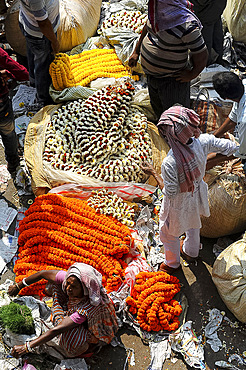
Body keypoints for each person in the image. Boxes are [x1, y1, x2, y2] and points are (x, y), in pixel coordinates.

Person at [141, 105, 237, 273]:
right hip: (197, 194)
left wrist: (153, 173)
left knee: (169, 234)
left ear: (171, 135)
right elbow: (231, 147)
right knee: (193, 224)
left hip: (177, 203)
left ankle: (172, 263)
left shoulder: (170, 162)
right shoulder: (204, 141)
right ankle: (191, 253)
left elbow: (169, 192)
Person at [8, 263, 118, 358]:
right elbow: (42, 274)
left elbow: (56, 330)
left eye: (74, 287)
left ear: (85, 289)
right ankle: (62, 314)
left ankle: (89, 347)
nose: (68, 288)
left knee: (70, 335)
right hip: (73, 309)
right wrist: (18, 286)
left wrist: (26, 347)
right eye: (68, 283)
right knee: (54, 285)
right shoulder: (70, 279)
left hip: (93, 329)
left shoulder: (88, 307)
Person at [128, 0, 208, 121]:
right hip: (152, 76)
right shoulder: (158, 14)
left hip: (172, 81)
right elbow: (147, 27)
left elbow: (202, 55)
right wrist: (136, 51)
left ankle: (175, 137)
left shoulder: (186, 24)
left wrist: (192, 74)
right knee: (158, 109)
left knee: (175, 117)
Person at [19, 0, 60, 107]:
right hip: (41, 35)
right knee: (43, 66)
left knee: (34, 54)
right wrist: (54, 42)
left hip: (29, 24)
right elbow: (43, 23)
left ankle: (33, 80)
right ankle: (43, 99)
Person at [0, 48, 29, 174]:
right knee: (8, 133)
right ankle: (13, 163)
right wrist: (10, 75)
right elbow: (21, 72)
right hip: (1, 105)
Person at [212, 71, 246, 172]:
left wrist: (210, 159)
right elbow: (233, 117)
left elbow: (242, 152)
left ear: (224, 98)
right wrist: (213, 138)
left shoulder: (244, 121)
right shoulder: (242, 87)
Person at [192, 0, 227, 66]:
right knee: (217, 37)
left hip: (207, 11)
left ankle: (205, 66)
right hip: (216, 8)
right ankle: (218, 62)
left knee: (206, 41)